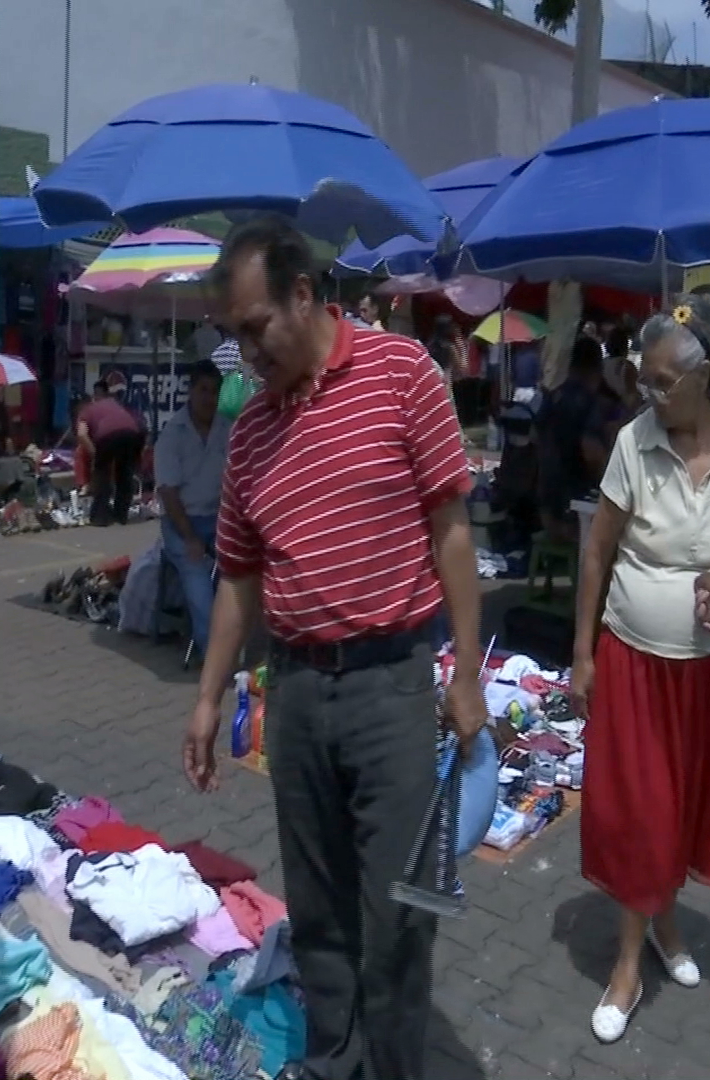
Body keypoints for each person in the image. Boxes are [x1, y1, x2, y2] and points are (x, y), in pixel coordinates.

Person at [182, 216, 487, 1080]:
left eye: (255, 329)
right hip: (300, 698)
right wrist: (208, 698)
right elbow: (239, 578)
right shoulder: (252, 432)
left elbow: (452, 531)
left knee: (397, 919)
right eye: (231, 337)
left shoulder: (402, 375)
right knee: (318, 918)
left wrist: (465, 676)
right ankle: (334, 1062)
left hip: (393, 688)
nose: (245, 356)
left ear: (304, 295)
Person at [570, 295, 710, 1045]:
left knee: (685, 807)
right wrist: (582, 651)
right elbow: (597, 549)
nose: (649, 394)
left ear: (706, 376)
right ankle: (627, 965)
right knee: (643, 811)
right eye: (644, 379)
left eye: (663, 383)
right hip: (635, 659)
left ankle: (667, 925)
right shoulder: (634, 441)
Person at [154, 361, 230, 653]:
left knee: (242, 567)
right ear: (191, 391)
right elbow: (169, 495)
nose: (209, 398)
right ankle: (214, 651)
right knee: (197, 570)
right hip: (180, 522)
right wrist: (190, 538)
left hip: (217, 518)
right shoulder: (173, 434)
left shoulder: (227, 429)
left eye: (214, 391)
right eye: (203, 390)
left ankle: (240, 641)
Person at [538, 335, 626, 543]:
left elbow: (535, 439)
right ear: (597, 367)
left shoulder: (552, 397)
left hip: (545, 510)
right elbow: (591, 450)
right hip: (575, 514)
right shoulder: (591, 402)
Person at [77, 379, 144, 526]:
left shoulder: (86, 410)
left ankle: (100, 517)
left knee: (102, 475)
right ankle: (121, 515)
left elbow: (82, 434)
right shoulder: (114, 404)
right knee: (124, 475)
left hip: (108, 436)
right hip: (133, 434)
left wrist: (95, 453)